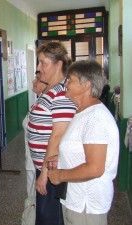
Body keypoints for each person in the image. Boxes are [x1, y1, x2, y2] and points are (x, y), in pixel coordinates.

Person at [47, 60, 119, 225]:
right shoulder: (83, 112)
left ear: (86, 85)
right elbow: (81, 150)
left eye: (70, 80)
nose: (66, 84)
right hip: (76, 202)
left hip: (86, 206)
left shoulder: (95, 118)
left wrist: (60, 175)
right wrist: (63, 160)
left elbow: (95, 168)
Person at [27, 42, 77, 225]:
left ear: (59, 64)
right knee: (44, 216)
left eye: (43, 63)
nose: (39, 69)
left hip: (52, 170)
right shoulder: (49, 88)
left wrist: (45, 174)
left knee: (50, 219)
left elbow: (57, 137)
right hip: (43, 166)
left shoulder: (62, 93)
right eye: (38, 63)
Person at [21, 73, 48, 225]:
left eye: (37, 78)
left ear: (45, 85)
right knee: (32, 197)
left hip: (38, 163)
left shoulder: (46, 106)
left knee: (35, 199)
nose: (33, 80)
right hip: (31, 161)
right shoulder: (37, 103)